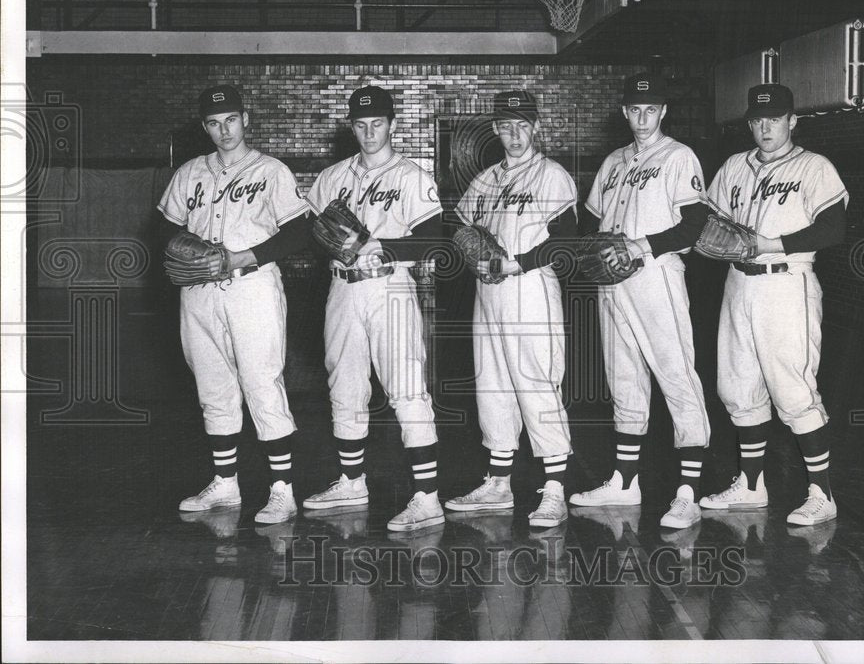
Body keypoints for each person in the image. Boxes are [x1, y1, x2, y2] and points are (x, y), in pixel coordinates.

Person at [159, 84, 310, 524]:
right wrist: (178, 246)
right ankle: (226, 484)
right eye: (213, 123)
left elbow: (299, 232)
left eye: (231, 120)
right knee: (213, 388)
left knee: (262, 384)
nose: (224, 130)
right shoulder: (189, 172)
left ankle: (282, 490)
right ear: (204, 127)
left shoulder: (271, 170)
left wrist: (245, 255)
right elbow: (162, 228)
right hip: (199, 293)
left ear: (246, 119)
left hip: (252, 286)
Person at [699, 83, 848, 526]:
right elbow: (707, 222)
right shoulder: (732, 167)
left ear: (792, 121)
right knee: (737, 387)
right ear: (749, 123)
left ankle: (822, 494)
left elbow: (834, 228)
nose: (766, 127)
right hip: (738, 285)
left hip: (787, 284)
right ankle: (750, 486)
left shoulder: (814, 167)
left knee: (794, 391)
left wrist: (769, 242)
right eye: (758, 119)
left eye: (775, 118)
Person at [569, 73, 712, 530]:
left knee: (676, 377)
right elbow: (591, 223)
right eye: (635, 109)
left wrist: (640, 245)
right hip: (612, 282)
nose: (643, 116)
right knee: (624, 380)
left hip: (656, 276)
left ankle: (689, 491)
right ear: (625, 113)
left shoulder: (678, 156)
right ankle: (625, 482)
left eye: (651, 109)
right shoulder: (612, 162)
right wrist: (592, 251)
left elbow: (694, 225)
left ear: (663, 112)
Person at [302, 85, 445, 532]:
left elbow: (434, 240)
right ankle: (351, 482)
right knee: (343, 386)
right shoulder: (331, 177)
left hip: (389, 288)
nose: (369, 132)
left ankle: (427, 497)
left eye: (377, 123)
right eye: (361, 124)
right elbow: (310, 229)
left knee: (406, 390)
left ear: (392, 125)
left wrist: (380, 243)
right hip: (342, 288)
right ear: (352, 126)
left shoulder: (411, 177)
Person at [445, 90, 577, 528]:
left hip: (530, 287)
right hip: (489, 291)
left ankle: (555, 488)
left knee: (538, 385)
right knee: (493, 385)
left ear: (536, 127)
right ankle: (498, 483)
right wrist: (470, 252)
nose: (515, 134)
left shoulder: (550, 175)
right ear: (496, 129)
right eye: (506, 126)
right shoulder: (484, 180)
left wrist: (515, 261)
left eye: (523, 125)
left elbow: (565, 241)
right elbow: (460, 227)